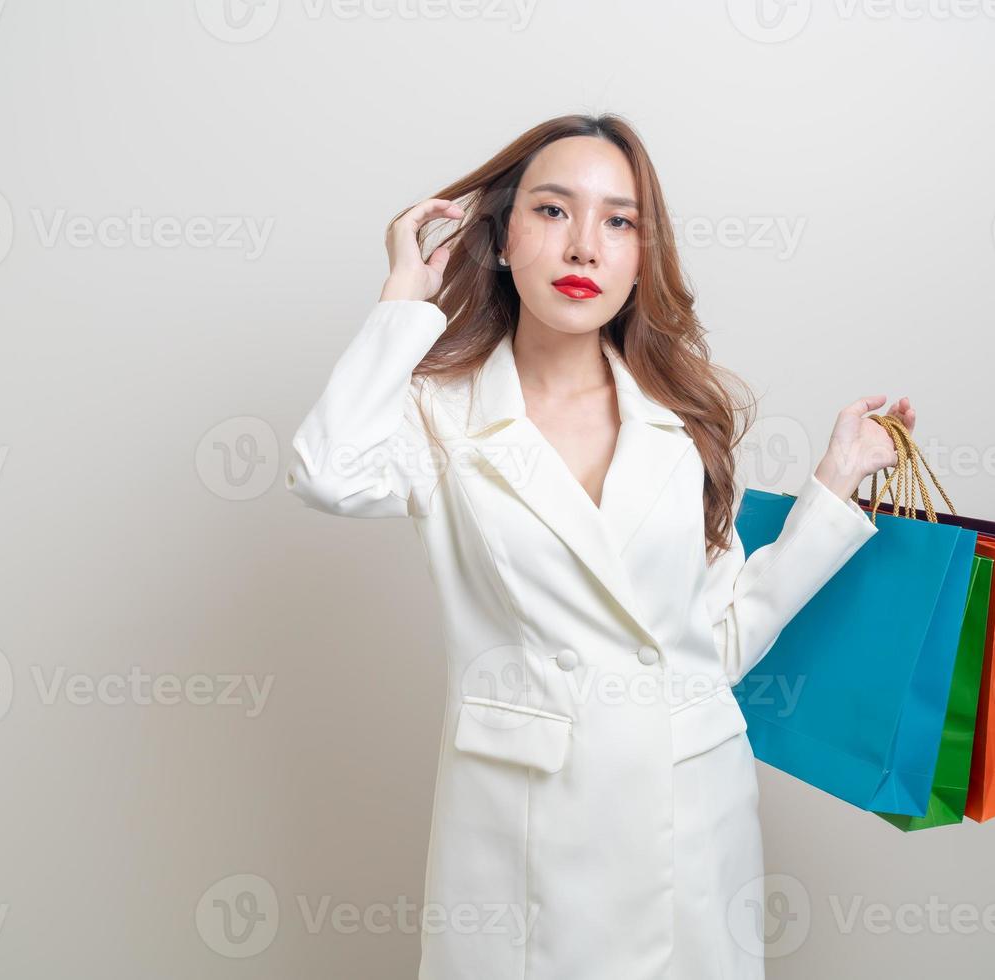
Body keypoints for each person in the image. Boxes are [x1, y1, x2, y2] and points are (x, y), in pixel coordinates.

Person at [285, 112, 914, 980]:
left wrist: (833, 490)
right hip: (523, 831)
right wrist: (404, 296)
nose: (585, 246)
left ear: (642, 257)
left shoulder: (683, 418)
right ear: (501, 238)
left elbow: (718, 642)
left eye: (619, 221)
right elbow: (326, 472)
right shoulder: (442, 413)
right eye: (552, 211)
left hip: (688, 820)